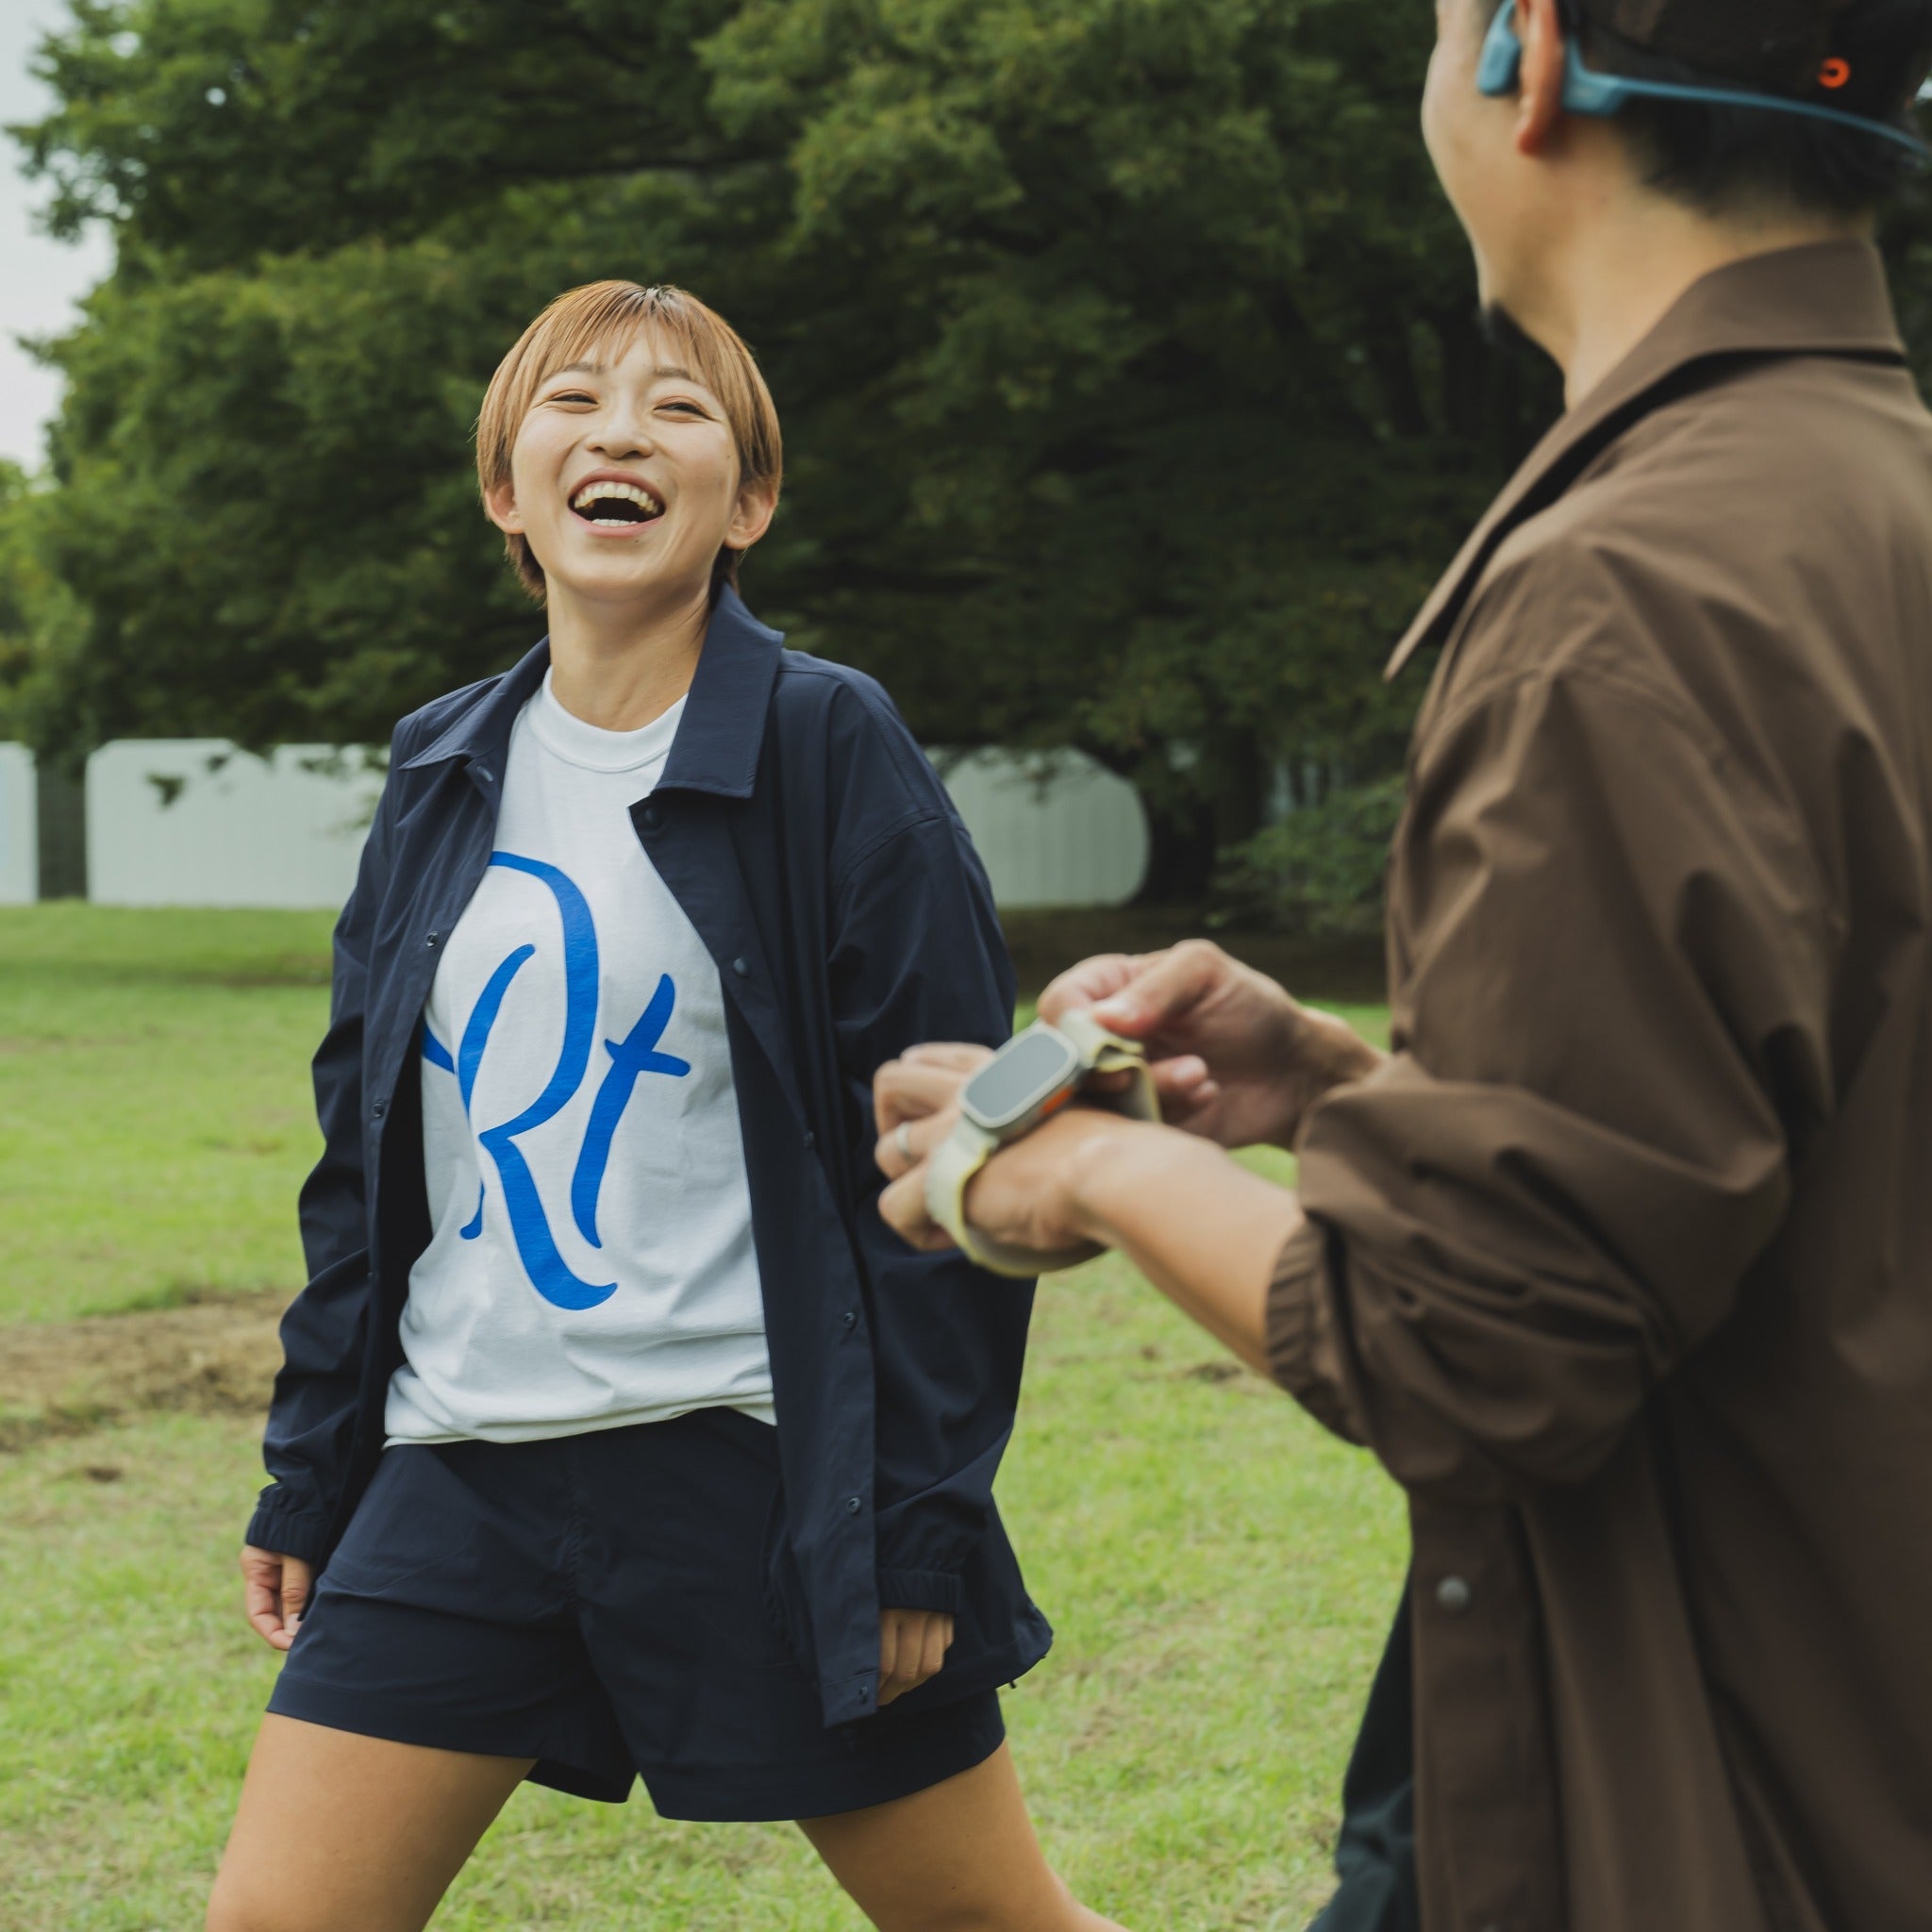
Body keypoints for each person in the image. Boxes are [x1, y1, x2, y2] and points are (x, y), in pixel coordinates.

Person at [873, 3, 1932, 1927]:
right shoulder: (1873, 503)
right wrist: (1347, 1090)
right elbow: (1808, 1144)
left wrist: (1090, 1167)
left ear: (1531, 61)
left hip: (1711, 1807)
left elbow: (1478, 1354)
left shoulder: (1628, 591)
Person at [208, 280, 1123, 1932]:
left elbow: (953, 1159)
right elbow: (366, 1162)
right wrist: (310, 1471)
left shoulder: (827, 742)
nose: (620, 431)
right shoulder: (440, 765)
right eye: (572, 401)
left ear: (746, 503)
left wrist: (915, 1530)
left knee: (993, 1925)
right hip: (458, 1464)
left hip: (750, 1467)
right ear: (507, 487)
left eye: (677, 409)